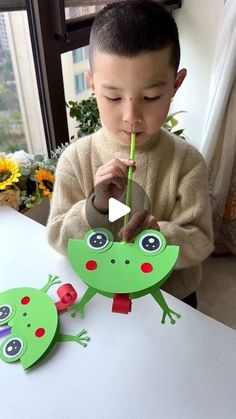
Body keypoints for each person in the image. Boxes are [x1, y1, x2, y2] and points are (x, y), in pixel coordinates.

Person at [47, 0, 214, 309]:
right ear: (93, 86)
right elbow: (58, 238)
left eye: (151, 97)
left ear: (176, 85)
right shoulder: (76, 159)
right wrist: (95, 208)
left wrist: (158, 235)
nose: (131, 115)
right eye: (113, 96)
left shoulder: (187, 163)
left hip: (171, 298)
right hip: (100, 295)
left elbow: (201, 241)